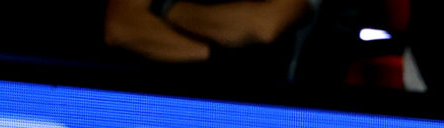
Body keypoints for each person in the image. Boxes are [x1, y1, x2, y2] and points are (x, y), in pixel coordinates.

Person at [103, 0, 315, 77]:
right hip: (156, 100)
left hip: (255, 107)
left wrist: (168, 9)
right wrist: (216, 55)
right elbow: (121, 27)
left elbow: (265, 25)